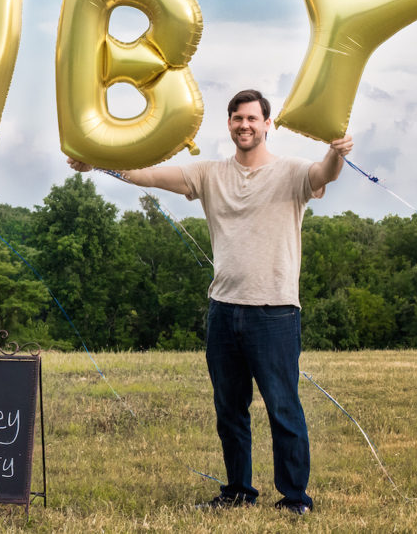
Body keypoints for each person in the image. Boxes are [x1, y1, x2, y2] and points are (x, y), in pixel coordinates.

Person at [68, 89, 352, 516]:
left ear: (267, 124)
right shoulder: (209, 174)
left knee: (283, 409)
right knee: (229, 411)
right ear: (230, 124)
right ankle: (238, 490)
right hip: (223, 311)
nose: (245, 125)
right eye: (238, 119)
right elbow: (147, 174)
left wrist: (338, 153)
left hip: (274, 312)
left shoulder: (292, 173)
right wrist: (96, 163)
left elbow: (324, 174)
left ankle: (295, 499)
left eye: (253, 119)